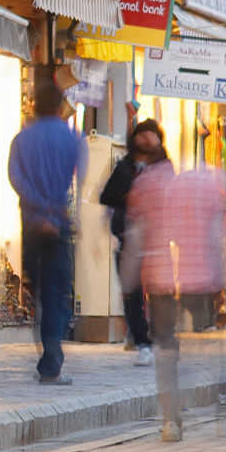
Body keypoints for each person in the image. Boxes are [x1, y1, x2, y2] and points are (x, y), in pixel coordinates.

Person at [129, 139, 226, 440]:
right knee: (211, 346)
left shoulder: (148, 185)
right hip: (199, 278)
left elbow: (139, 234)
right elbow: (215, 234)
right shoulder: (202, 186)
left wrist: (130, 279)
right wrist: (221, 278)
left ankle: (171, 419)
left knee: (166, 350)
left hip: (162, 280)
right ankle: (219, 410)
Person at [9, 80, 87, 385]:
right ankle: (51, 362)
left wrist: (39, 210)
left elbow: (15, 178)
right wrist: (58, 213)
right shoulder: (73, 140)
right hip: (60, 226)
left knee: (40, 292)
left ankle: (47, 356)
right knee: (57, 294)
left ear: (33, 106)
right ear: (60, 107)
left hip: (31, 225)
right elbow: (82, 184)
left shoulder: (21, 139)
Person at [98, 118, 170, 365]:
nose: (146, 140)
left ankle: (157, 336)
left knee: (159, 293)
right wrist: (130, 197)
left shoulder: (164, 167)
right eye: (142, 134)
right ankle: (142, 342)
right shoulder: (125, 167)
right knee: (133, 294)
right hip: (129, 239)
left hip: (157, 241)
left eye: (152, 135)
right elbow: (106, 195)